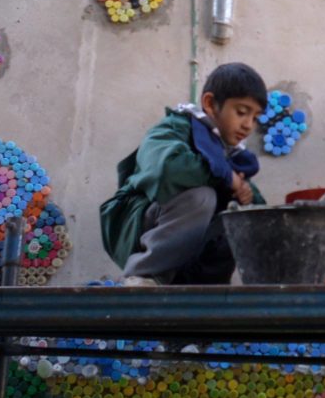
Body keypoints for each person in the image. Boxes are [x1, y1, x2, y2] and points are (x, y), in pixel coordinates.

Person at [100, 63, 267, 286]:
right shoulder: (175, 128)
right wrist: (226, 177)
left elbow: (261, 214)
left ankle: (206, 287)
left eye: (255, 118)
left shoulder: (231, 154)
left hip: (189, 249)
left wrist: (246, 196)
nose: (248, 125)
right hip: (140, 225)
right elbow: (167, 168)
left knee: (240, 216)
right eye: (242, 112)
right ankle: (145, 274)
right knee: (201, 196)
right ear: (209, 103)